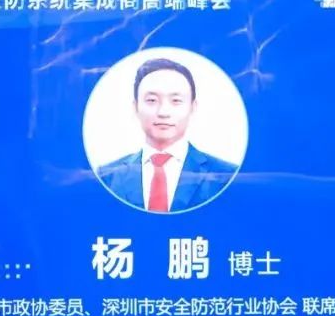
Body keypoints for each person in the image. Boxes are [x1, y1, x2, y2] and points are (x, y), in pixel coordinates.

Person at [96, 57, 238, 213]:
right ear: (135, 107)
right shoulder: (107, 176)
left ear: (193, 107)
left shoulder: (227, 175)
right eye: (152, 100)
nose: (163, 112)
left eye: (176, 101)